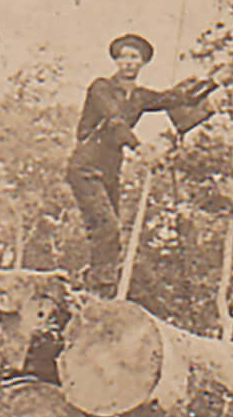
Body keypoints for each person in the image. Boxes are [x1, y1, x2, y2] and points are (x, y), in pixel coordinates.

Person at [65, 33, 214, 292]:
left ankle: (98, 289)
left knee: (111, 232)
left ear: (143, 62)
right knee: (106, 226)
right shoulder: (101, 88)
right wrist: (140, 148)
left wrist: (214, 82)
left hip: (111, 169)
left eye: (134, 57)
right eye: (123, 57)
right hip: (87, 165)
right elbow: (114, 122)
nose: (128, 62)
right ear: (115, 60)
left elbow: (177, 98)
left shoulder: (139, 97)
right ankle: (98, 286)